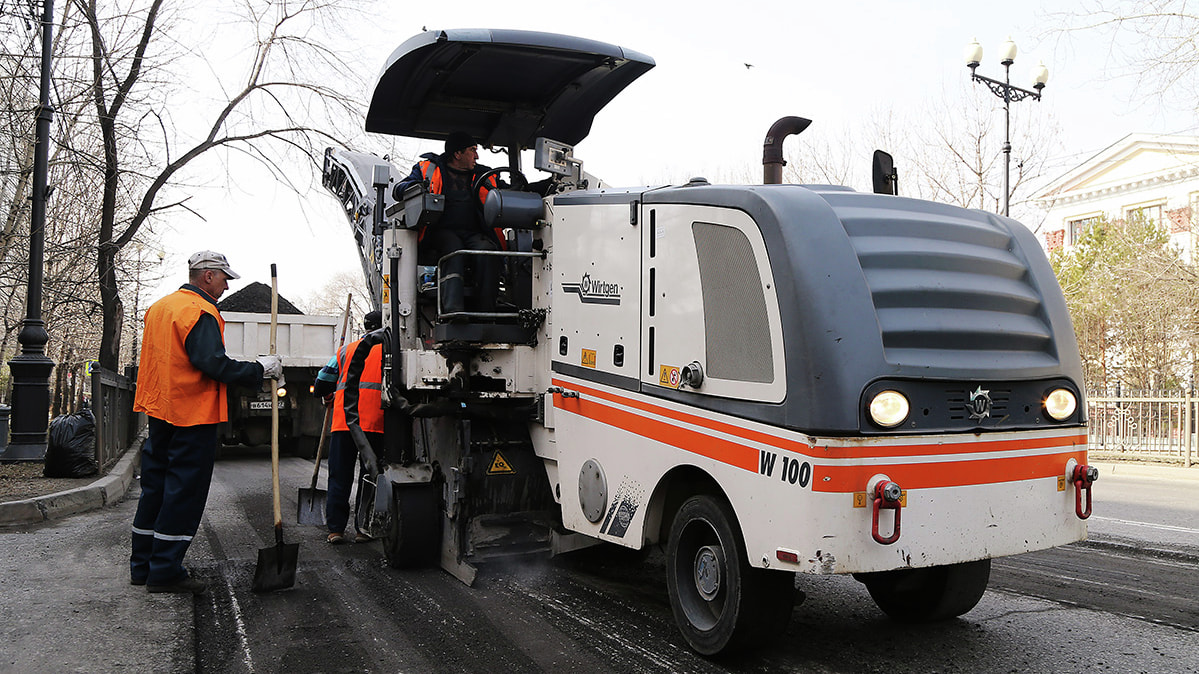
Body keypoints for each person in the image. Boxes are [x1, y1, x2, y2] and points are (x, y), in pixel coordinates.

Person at [130, 251, 282, 594]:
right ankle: (165, 570)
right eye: (224, 277)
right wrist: (260, 369)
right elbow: (212, 363)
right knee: (183, 492)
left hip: (160, 410)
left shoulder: (161, 307)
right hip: (191, 413)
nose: (228, 285)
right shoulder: (200, 311)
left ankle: (142, 566)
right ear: (207, 276)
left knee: (155, 488)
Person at [397, 131, 505, 317]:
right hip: (439, 232)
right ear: (457, 154)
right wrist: (417, 188)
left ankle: (487, 312)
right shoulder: (428, 169)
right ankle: (453, 312)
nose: (477, 156)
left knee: (488, 250)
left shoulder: (484, 175)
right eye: (472, 150)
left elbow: (508, 191)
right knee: (453, 249)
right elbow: (399, 190)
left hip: (474, 233)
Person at [313, 310, 384, 544]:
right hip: (376, 423)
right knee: (371, 476)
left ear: (365, 328)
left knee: (339, 476)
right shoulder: (391, 349)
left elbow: (322, 382)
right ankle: (364, 529)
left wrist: (327, 396)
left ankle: (335, 530)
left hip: (344, 422)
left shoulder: (345, 350)